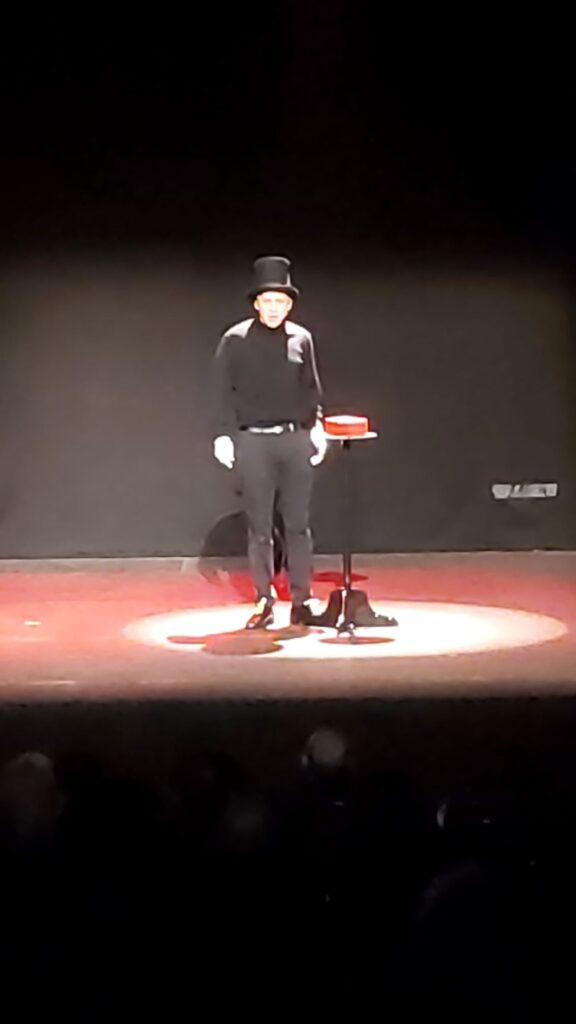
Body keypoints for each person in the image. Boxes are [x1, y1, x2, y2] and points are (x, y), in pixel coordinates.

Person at [213, 256, 327, 629]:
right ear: (257, 304)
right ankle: (264, 599)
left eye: (281, 301)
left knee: (298, 524)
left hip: (294, 439)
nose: (275, 307)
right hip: (254, 442)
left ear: (289, 305)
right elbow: (222, 391)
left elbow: (311, 390)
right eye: (268, 300)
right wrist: (223, 434)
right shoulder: (235, 340)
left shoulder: (301, 339)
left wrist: (317, 428)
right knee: (260, 526)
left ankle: (302, 599)